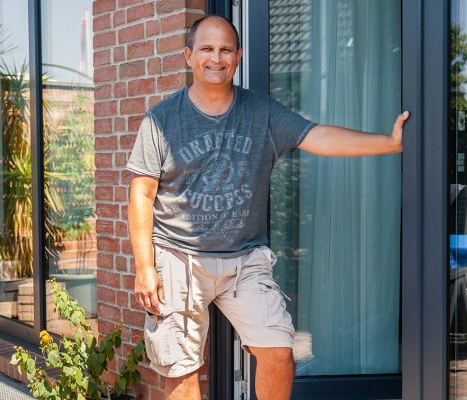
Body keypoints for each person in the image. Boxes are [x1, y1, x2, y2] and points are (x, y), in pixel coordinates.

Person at [127, 15, 409, 400]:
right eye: (207, 49)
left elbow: (317, 135)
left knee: (278, 352)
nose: (216, 58)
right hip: (178, 257)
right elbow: (141, 194)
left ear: (238, 56)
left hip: (244, 258)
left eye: (225, 49)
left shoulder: (262, 113)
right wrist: (145, 267)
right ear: (188, 56)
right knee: (182, 367)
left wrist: (388, 142)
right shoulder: (161, 119)